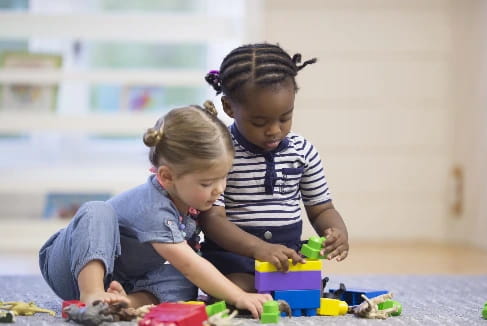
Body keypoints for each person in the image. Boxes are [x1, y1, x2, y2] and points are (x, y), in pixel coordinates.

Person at [38, 101, 272, 318]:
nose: (219, 189)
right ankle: (92, 295)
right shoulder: (154, 207)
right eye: (206, 183)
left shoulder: (188, 201)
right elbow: (190, 263)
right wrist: (238, 295)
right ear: (167, 177)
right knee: (97, 210)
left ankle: (125, 302)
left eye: (223, 178)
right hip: (69, 266)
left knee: (185, 282)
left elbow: (189, 267)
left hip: (122, 278)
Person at [200, 43, 350, 292]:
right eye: (259, 122)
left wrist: (337, 232)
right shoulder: (220, 152)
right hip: (234, 257)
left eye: (285, 117)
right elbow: (212, 218)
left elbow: (322, 209)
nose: (274, 130)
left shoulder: (303, 151)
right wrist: (258, 249)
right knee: (236, 288)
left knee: (305, 290)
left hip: (287, 256)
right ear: (228, 107)